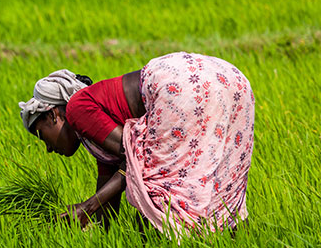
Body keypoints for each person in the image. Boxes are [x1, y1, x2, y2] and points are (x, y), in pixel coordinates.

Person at [18, 52, 254, 236]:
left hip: (180, 86)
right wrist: (86, 226)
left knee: (156, 202)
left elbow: (139, 160)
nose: (48, 149)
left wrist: (86, 207)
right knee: (218, 186)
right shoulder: (100, 136)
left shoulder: (78, 107)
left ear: (53, 115)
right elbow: (110, 203)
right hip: (229, 78)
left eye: (42, 136)